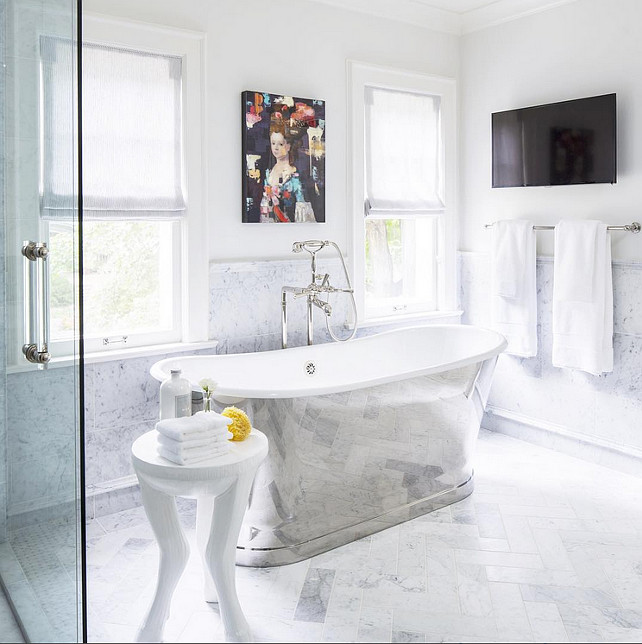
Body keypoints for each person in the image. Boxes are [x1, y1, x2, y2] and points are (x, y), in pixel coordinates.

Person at [260, 121, 315, 223]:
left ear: (289, 146)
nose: (276, 148)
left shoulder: (294, 176)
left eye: (280, 144)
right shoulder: (269, 172)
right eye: (273, 143)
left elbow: (303, 215)